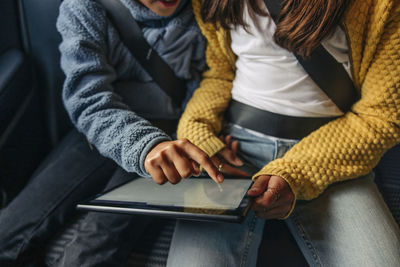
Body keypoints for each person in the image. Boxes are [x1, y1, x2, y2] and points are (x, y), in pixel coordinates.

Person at [166, 0, 400, 266]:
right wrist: (196, 131)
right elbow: (221, 72)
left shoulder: (379, 6)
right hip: (235, 151)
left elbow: (382, 115)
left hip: (333, 156)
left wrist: (296, 173)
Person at [0, 0, 232, 265]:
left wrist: (209, 130)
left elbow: (219, 76)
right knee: (7, 237)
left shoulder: (210, 7)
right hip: (102, 126)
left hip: (177, 133)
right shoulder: (85, 8)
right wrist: (146, 146)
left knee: (92, 251)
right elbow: (88, 98)